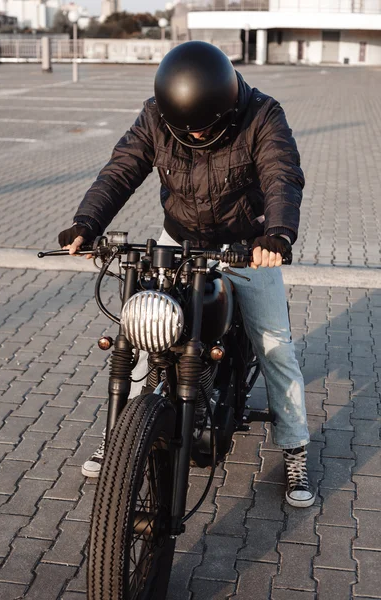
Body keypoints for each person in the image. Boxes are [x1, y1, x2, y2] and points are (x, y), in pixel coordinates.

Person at [58, 41, 315, 508]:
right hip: (179, 239)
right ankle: (120, 439)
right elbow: (122, 169)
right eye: (184, 130)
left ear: (225, 105)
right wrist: (87, 222)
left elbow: (283, 174)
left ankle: (295, 447)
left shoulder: (261, 115)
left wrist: (277, 235)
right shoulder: (157, 115)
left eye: (202, 130)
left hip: (246, 247)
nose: (193, 136)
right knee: (142, 336)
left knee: (275, 347)